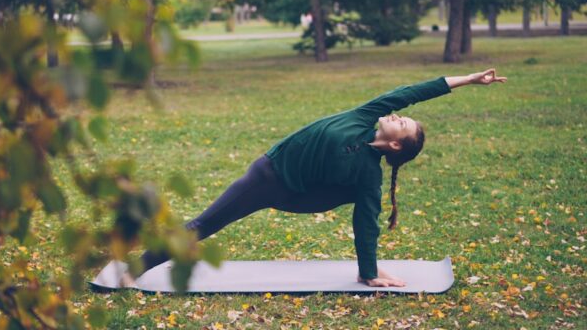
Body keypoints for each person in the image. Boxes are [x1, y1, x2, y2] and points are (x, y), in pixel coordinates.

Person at [117, 69, 507, 288]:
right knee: (206, 223)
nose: (397, 115)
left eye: (401, 124)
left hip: (285, 188)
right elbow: (412, 91)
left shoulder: (367, 176)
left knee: (203, 224)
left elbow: (365, 223)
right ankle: (140, 267)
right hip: (265, 172)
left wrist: (369, 273)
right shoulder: (366, 115)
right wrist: (469, 80)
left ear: (395, 147)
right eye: (401, 115)